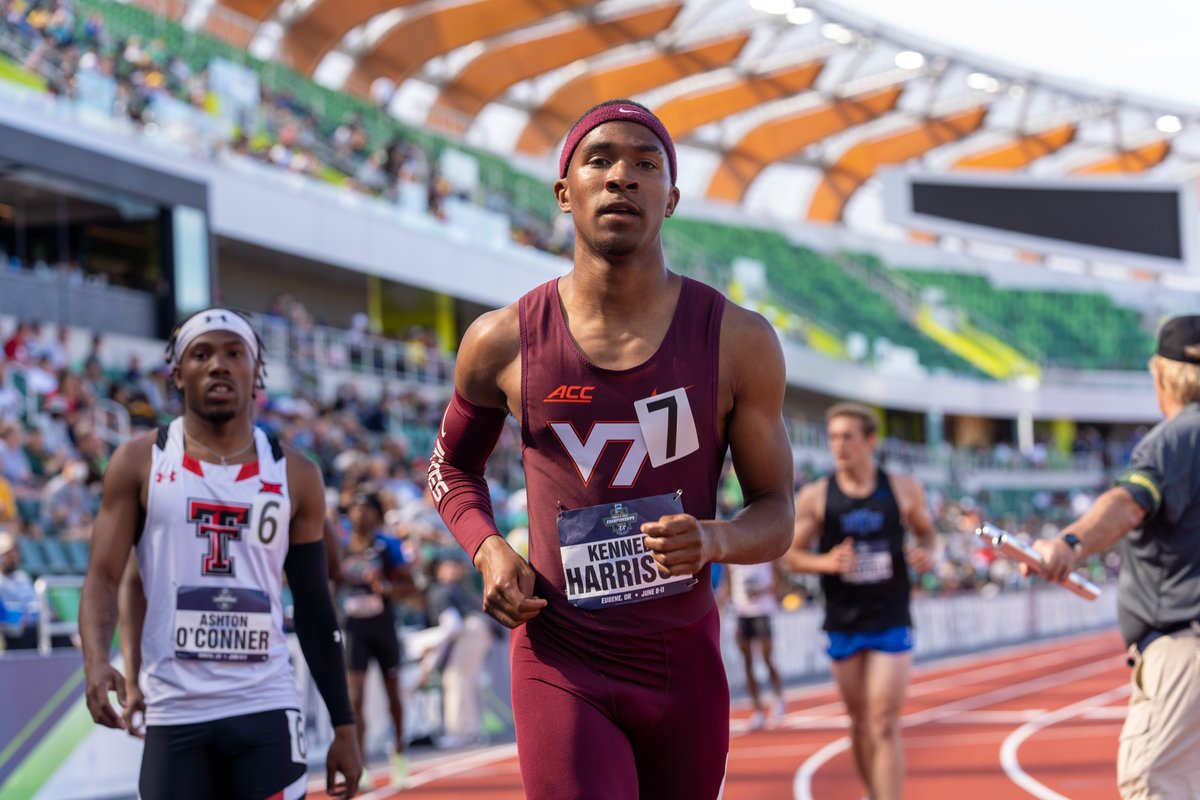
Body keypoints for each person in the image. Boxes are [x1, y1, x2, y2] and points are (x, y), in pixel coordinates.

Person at [427, 99, 795, 799]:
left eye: (644, 164)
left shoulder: (739, 342)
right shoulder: (500, 341)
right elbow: (451, 465)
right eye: (599, 160)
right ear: (565, 193)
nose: (621, 176)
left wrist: (715, 539)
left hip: (682, 667)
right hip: (562, 659)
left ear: (672, 197)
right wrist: (487, 548)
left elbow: (777, 511)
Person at [79, 308, 362, 799]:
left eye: (234, 353)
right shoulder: (138, 462)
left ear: (257, 374)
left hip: (267, 705)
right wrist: (97, 661)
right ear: (177, 374)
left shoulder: (296, 475)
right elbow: (106, 577)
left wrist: (344, 723)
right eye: (201, 354)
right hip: (176, 710)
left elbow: (316, 605)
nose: (218, 365)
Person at [1032, 315, 1200, 800]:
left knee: (1152, 783)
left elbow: (1128, 503)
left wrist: (1068, 544)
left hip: (1183, 646)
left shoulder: (1176, 437)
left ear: (1161, 373)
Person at [788, 402, 939, 800]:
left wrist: (928, 552)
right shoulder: (816, 496)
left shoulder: (903, 488)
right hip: (843, 619)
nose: (838, 445)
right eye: (833, 437)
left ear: (870, 441)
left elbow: (928, 534)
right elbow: (791, 554)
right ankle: (874, 792)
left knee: (884, 723)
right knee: (858, 723)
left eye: (847, 437)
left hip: (890, 615)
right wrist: (826, 561)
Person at [340, 487, 413, 787]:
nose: (360, 513)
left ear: (375, 513)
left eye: (366, 508)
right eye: (355, 508)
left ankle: (398, 754)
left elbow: (410, 586)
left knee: (392, 694)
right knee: (355, 698)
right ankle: (363, 764)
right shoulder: (341, 545)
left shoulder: (388, 546)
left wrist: (387, 589)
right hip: (355, 629)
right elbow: (329, 579)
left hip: (383, 626)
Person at [422, 557, 493, 748]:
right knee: (468, 681)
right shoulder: (459, 588)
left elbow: (451, 625)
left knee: (456, 680)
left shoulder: (442, 590)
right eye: (448, 566)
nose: (452, 570)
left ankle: (458, 732)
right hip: (477, 630)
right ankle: (471, 730)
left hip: (468, 631)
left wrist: (432, 658)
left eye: (453, 567)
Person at [724, 559, 787, 730]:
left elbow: (779, 577)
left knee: (767, 658)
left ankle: (779, 699)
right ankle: (757, 710)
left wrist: (761, 591)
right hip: (741, 613)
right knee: (747, 663)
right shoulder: (732, 558)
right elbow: (728, 583)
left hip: (762, 611)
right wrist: (721, 602)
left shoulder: (764, 553)